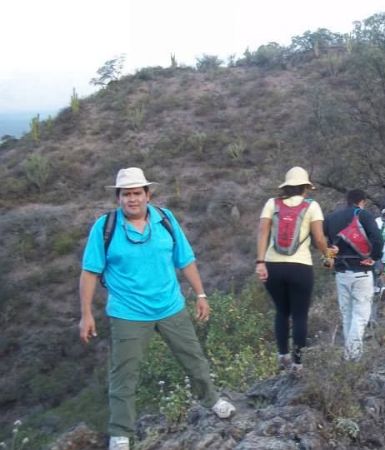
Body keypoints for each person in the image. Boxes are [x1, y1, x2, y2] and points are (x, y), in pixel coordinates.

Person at [79, 168, 235, 450]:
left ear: (148, 195)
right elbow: (90, 272)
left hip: (170, 306)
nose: (132, 199)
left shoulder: (165, 219)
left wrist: (200, 294)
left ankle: (213, 401)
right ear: (118, 198)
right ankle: (120, 433)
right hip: (128, 312)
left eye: (137, 193)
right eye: (126, 194)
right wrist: (86, 313)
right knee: (124, 373)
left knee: (193, 358)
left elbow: (185, 259)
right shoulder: (105, 228)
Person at [256, 167, 331, 372]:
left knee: (282, 311)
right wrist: (327, 255)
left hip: (273, 265)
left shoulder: (272, 204)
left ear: (286, 186)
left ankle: (283, 355)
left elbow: (262, 232)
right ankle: (298, 364)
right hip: (301, 266)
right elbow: (318, 238)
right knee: (299, 315)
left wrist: (260, 262)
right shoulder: (312, 206)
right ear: (306, 188)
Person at [323, 190, 384, 360]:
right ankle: (352, 357)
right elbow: (378, 239)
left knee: (347, 314)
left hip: (341, 272)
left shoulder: (331, 218)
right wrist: (374, 258)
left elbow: (321, 239)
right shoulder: (364, 215)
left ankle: (349, 354)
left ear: (347, 200)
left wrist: (329, 256)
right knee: (361, 316)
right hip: (362, 271)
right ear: (362, 201)